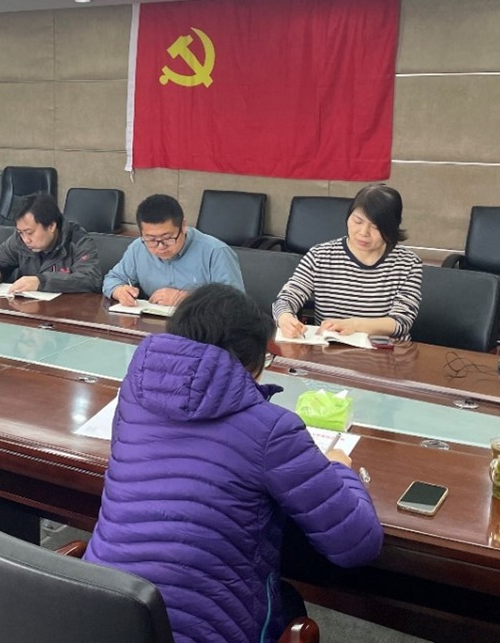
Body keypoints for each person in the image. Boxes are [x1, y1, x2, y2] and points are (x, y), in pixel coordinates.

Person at [85, 284, 383, 643]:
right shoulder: (271, 428)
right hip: (198, 632)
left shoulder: (134, 398)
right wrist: (340, 469)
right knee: (288, 605)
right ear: (251, 360)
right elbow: (357, 543)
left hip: (102, 613)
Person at [273, 184, 423, 341]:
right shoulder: (320, 255)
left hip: (384, 352)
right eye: (358, 221)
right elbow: (286, 299)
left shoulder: (408, 264)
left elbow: (402, 322)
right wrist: (285, 317)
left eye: (376, 227)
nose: (363, 232)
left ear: (392, 228)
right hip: (329, 350)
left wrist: (355, 325)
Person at [102, 194, 243, 307]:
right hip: (150, 325)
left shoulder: (216, 252)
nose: (160, 247)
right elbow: (112, 279)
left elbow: (234, 303)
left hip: (201, 327)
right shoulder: (138, 248)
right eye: (151, 239)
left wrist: (185, 298)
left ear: (183, 226)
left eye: (167, 238)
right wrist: (118, 291)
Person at [0, 193, 101, 293]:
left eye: (30, 232)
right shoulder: (19, 240)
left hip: (66, 312)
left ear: (51, 226)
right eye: (20, 232)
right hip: (28, 310)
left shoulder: (78, 241)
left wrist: (41, 282)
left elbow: (91, 279)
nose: (25, 239)